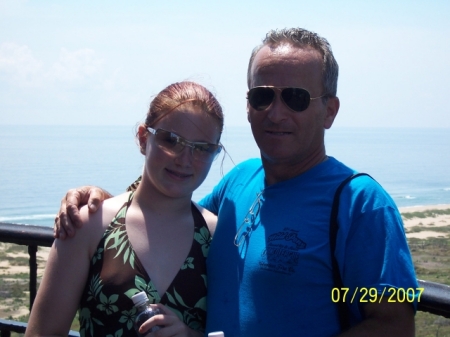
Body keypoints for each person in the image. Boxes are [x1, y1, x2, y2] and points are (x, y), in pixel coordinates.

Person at [54, 28, 417, 336]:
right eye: (263, 96)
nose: (276, 113)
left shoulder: (362, 203)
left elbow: (394, 324)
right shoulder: (240, 182)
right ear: (248, 105)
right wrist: (105, 204)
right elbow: (170, 214)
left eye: (296, 99)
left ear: (330, 111)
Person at [26, 81, 224, 337]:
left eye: (202, 148)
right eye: (171, 140)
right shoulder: (89, 225)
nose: (184, 159)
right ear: (144, 138)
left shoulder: (217, 236)